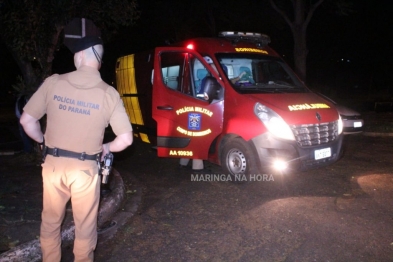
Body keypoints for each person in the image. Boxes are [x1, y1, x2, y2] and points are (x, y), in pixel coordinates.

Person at [20, 35, 133, 262]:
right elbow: (126, 139)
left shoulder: (54, 82)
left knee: (51, 223)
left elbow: (26, 121)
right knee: (85, 228)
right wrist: (106, 147)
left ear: (80, 55)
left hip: (53, 166)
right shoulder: (108, 93)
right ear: (98, 61)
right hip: (85, 170)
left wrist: (42, 140)